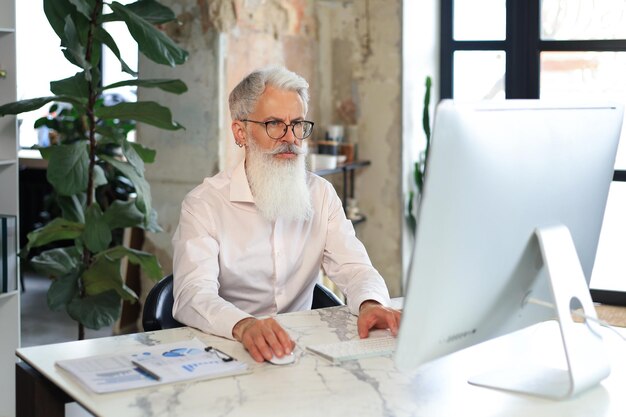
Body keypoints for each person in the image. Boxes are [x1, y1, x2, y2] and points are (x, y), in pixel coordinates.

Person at [172, 66, 401, 363]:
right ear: (240, 132)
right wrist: (244, 326)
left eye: (297, 124)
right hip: (226, 348)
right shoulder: (204, 204)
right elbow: (193, 295)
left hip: (301, 353)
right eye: (274, 124)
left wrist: (371, 304)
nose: (290, 138)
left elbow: (355, 268)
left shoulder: (321, 194)